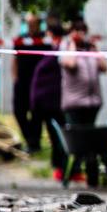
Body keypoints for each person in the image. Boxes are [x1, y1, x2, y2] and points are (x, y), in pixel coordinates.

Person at [30, 22, 66, 181]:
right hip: (48, 101)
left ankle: (60, 166)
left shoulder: (58, 51)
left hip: (52, 102)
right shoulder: (53, 51)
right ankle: (58, 166)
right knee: (55, 136)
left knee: (58, 136)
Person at [60, 19, 107, 127]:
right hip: (74, 103)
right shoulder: (65, 47)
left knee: (88, 137)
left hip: (93, 103)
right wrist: (73, 44)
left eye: (83, 31)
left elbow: (104, 68)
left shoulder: (89, 49)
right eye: (78, 31)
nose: (81, 34)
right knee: (77, 137)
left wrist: (95, 48)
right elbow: (71, 64)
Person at [13, 12, 45, 153]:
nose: (31, 26)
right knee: (19, 111)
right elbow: (15, 59)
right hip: (22, 81)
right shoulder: (21, 39)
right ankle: (29, 139)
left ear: (38, 23)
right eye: (28, 23)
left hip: (39, 82)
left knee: (37, 113)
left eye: (33, 23)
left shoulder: (45, 40)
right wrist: (15, 77)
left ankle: (35, 143)